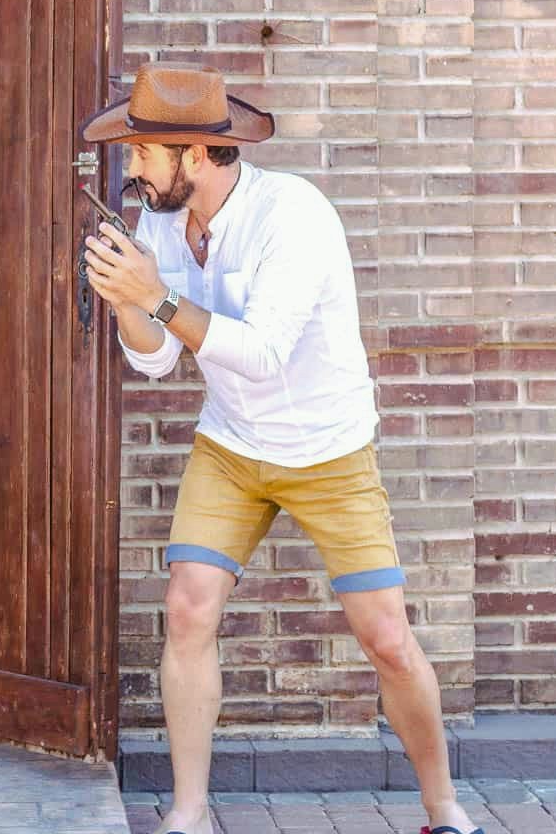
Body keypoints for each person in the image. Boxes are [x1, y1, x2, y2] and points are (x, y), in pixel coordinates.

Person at [79, 65, 482, 834]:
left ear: (194, 154)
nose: (128, 166)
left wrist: (154, 296)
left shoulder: (293, 215)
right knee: (187, 609)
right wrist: (130, 302)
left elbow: (261, 352)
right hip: (232, 444)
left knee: (387, 639)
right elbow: (157, 359)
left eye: (140, 152)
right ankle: (189, 814)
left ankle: (444, 807)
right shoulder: (160, 222)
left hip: (328, 450)